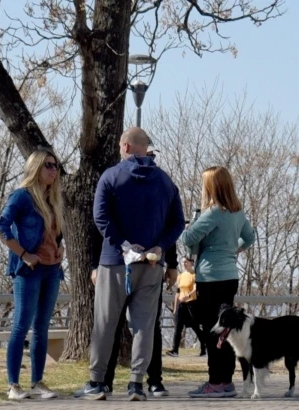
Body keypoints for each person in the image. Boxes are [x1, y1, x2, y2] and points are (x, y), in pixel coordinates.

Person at [79, 128, 184, 401]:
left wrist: (124, 245)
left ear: (125, 146)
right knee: (144, 326)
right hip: (152, 265)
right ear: (145, 148)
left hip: (115, 262)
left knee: (105, 323)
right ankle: (137, 384)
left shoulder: (111, 177)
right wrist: (159, 247)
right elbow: (176, 222)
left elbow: (100, 218)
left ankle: (97, 382)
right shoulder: (165, 181)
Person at [0, 149, 66, 400]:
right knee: (21, 326)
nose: (53, 170)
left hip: (52, 269)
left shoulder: (54, 199)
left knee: (42, 327)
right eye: (48, 165)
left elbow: (56, 233)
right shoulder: (22, 196)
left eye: (55, 166)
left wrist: (60, 247)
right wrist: (24, 254)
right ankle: (13, 385)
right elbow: (1, 227)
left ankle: (38, 382)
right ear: (36, 168)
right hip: (29, 271)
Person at [182, 166, 257, 398]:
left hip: (210, 277)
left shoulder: (213, 213)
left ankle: (215, 382)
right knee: (226, 330)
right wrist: (235, 251)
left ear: (211, 187)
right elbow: (250, 236)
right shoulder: (237, 212)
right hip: (230, 276)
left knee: (212, 330)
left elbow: (187, 238)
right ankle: (226, 382)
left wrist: (190, 225)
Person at [169, 257, 207, 357]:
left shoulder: (195, 275)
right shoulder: (180, 276)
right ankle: (175, 350)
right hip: (181, 304)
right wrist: (175, 308)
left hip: (192, 304)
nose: (184, 263)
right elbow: (178, 293)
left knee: (196, 328)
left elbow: (196, 289)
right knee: (178, 327)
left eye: (186, 262)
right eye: (183, 262)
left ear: (191, 263)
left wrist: (188, 296)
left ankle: (204, 348)